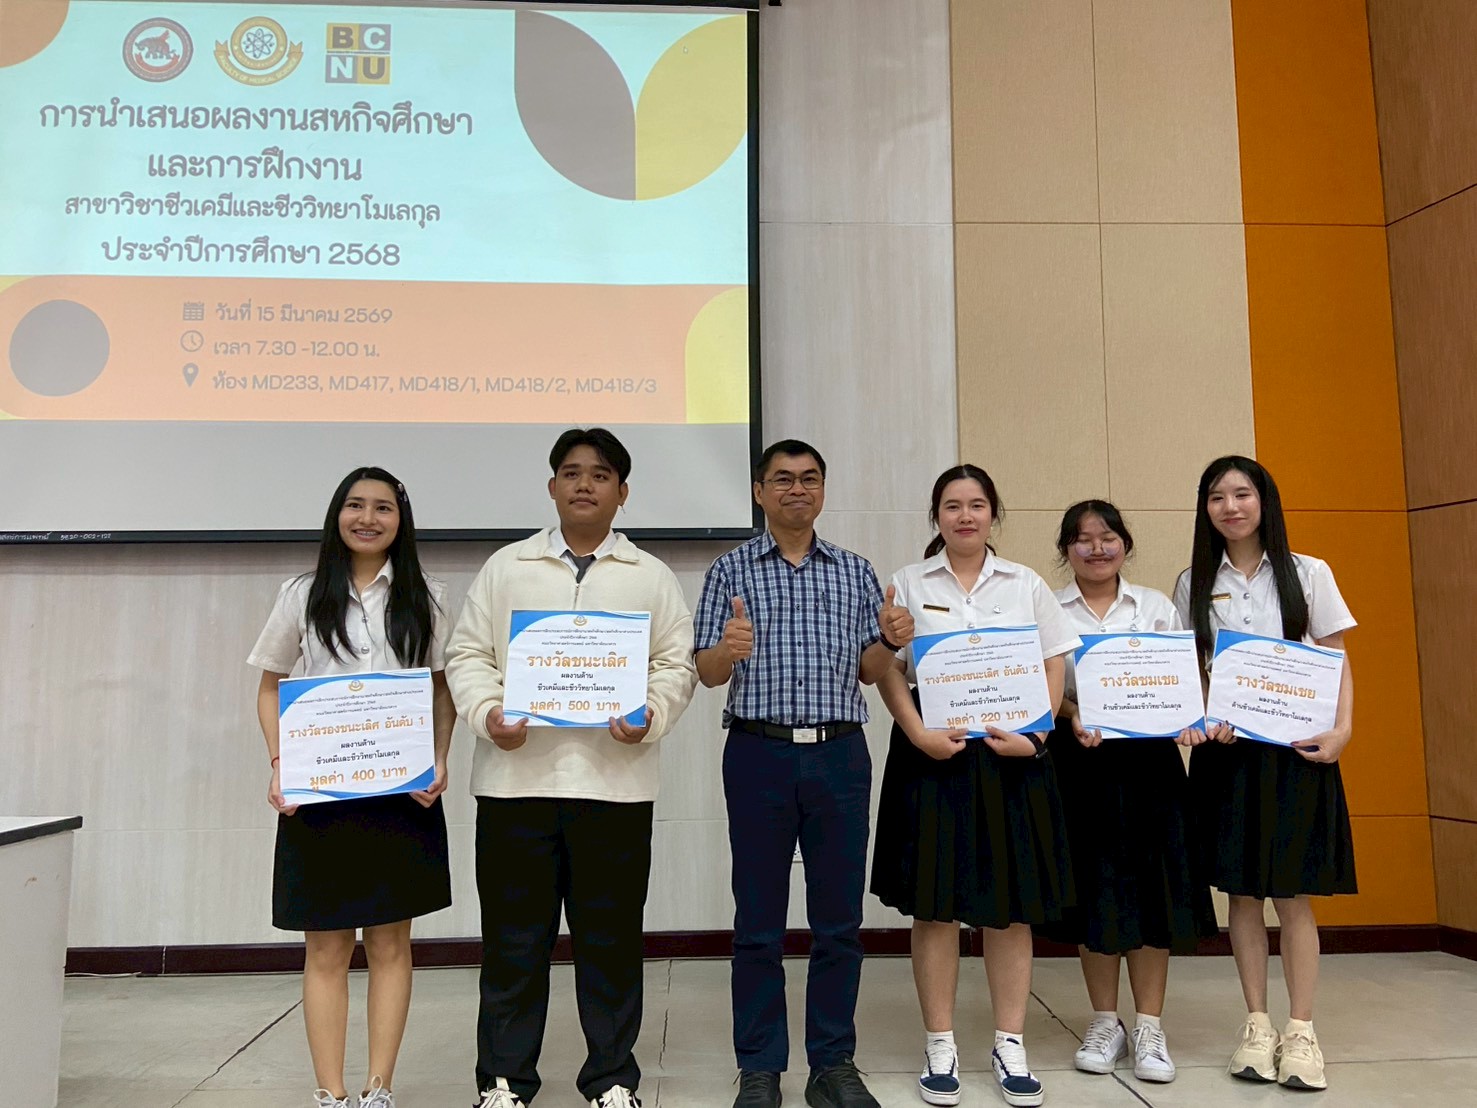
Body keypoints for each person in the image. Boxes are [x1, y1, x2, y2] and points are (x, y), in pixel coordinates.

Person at [445, 428, 698, 1108]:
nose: (585, 484)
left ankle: (611, 1079)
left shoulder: (649, 576)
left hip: (615, 789)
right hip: (514, 786)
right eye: (572, 472)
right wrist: (488, 714)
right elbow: (467, 655)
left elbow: (675, 664)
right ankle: (503, 1081)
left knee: (610, 944)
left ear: (623, 492)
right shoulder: (507, 567)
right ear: (552, 486)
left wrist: (650, 713)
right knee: (513, 944)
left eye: (600, 474)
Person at [693, 439, 907, 1108]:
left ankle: (831, 1063)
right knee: (757, 921)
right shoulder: (729, 570)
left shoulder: (854, 570)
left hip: (839, 755)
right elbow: (705, 673)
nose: (797, 489)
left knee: (839, 921)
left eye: (809, 478)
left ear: (822, 490)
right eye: (782, 479)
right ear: (759, 492)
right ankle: (759, 1066)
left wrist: (889, 642)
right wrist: (726, 651)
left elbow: (870, 673)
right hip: (758, 753)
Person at [869, 464, 1078, 1108]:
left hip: (1011, 758)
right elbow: (886, 669)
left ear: (994, 514)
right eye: (953, 505)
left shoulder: (1026, 583)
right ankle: (940, 1043)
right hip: (933, 756)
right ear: (936, 516)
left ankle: (1009, 1043)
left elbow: (1054, 663)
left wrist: (1038, 736)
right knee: (935, 906)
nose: (965, 516)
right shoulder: (908, 582)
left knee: (1010, 908)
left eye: (977, 505)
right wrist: (917, 733)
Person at [248, 466, 454, 1108]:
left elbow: (442, 690)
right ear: (337, 514)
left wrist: (439, 758)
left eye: (383, 508)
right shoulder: (302, 594)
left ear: (401, 520)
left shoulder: (428, 596)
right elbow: (270, 685)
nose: (368, 518)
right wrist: (281, 762)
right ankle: (331, 1092)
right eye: (356, 505)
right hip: (320, 794)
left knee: (391, 943)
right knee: (326, 947)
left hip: (402, 794)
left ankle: (378, 1087)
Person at [1172, 455, 1357, 1092]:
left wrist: (1341, 732)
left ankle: (1302, 1031)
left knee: (1293, 894)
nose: (1230, 507)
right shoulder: (1193, 582)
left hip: (1296, 753)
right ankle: (1257, 1024)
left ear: (1264, 501)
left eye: (1242, 494)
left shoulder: (1309, 572)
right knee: (1242, 895)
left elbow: (1336, 659)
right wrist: (1202, 718)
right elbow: (1194, 672)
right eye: (1217, 497)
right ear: (1206, 510)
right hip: (1227, 758)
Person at [1046, 499, 1216, 1085]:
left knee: (1152, 892)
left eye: (1107, 537)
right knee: (1095, 890)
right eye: (1082, 538)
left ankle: (1148, 1026)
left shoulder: (1155, 606)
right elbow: (1046, 685)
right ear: (1066, 549)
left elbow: (1182, 683)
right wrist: (1071, 712)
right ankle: (1104, 1022)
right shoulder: (1050, 607)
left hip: (1152, 767)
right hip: (1081, 762)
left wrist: (1189, 717)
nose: (1096, 548)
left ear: (1125, 544)